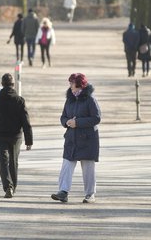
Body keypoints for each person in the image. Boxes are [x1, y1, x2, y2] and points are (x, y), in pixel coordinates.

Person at [51, 73, 101, 204]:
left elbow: (96, 118)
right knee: (66, 166)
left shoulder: (90, 100)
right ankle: (63, 191)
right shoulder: (70, 99)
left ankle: (90, 194)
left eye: (72, 83)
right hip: (71, 139)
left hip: (88, 140)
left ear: (79, 84)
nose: (70, 85)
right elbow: (63, 117)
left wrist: (78, 123)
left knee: (88, 169)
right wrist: (66, 122)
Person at [0, 73, 33, 198]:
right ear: (13, 85)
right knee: (13, 161)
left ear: (2, 85)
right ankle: (13, 186)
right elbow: (26, 121)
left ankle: (8, 186)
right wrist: (29, 140)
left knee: (3, 162)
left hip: (0, 135)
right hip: (15, 136)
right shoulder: (19, 100)